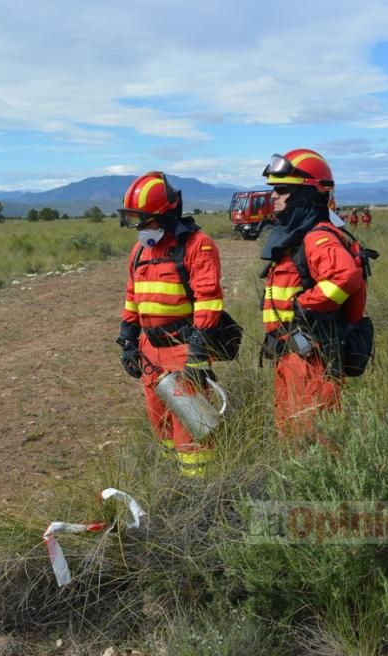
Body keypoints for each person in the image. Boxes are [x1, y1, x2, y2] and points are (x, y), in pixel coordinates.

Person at [115, 172, 232, 477]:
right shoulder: (140, 251)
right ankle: (172, 477)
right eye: (135, 222)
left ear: (166, 216)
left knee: (190, 426)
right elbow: (132, 297)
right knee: (160, 421)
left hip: (183, 349)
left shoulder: (198, 246)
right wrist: (128, 340)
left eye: (146, 221)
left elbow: (208, 301)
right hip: (149, 350)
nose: (140, 229)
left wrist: (197, 355)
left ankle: (199, 488)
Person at [259, 149, 366, 444]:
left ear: (305, 195)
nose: (275, 197)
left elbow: (345, 276)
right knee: (292, 437)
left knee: (314, 440)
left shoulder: (318, 237)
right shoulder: (300, 236)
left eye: (282, 190)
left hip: (311, 361)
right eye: (274, 190)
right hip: (291, 356)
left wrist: (303, 304)